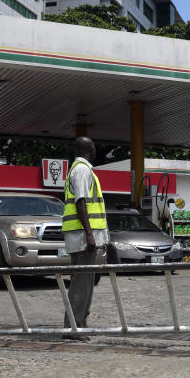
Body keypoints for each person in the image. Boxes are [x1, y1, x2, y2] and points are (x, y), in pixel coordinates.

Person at [61, 136, 109, 341]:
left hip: (82, 236)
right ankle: (73, 327)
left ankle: (80, 324)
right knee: (81, 284)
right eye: (94, 147)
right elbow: (81, 202)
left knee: (86, 282)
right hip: (83, 237)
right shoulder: (82, 170)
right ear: (90, 149)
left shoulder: (80, 169)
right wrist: (90, 234)